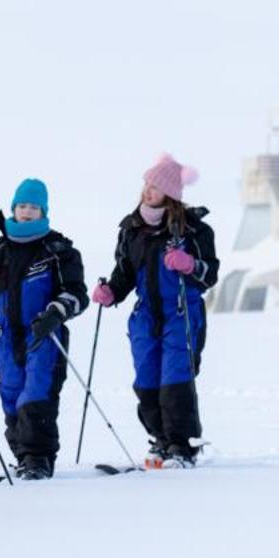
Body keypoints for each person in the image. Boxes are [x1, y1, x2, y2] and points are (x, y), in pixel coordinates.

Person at [0, 178, 87, 479]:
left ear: (44, 212)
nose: (27, 212)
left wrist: (56, 311)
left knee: (36, 395)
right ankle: (22, 457)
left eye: (34, 207)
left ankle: (38, 458)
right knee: (10, 395)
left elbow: (77, 293)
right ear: (13, 208)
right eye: (22, 205)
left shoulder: (57, 250)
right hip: (7, 340)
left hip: (44, 335)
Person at [91, 154, 217, 468]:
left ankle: (183, 446)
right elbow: (124, 273)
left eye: (156, 186)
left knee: (175, 379)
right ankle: (161, 440)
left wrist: (189, 265)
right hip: (146, 317)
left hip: (181, 313)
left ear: (171, 194)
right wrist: (110, 292)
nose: (148, 191)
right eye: (146, 184)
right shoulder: (131, 229)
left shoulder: (194, 230)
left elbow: (209, 274)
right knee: (146, 381)